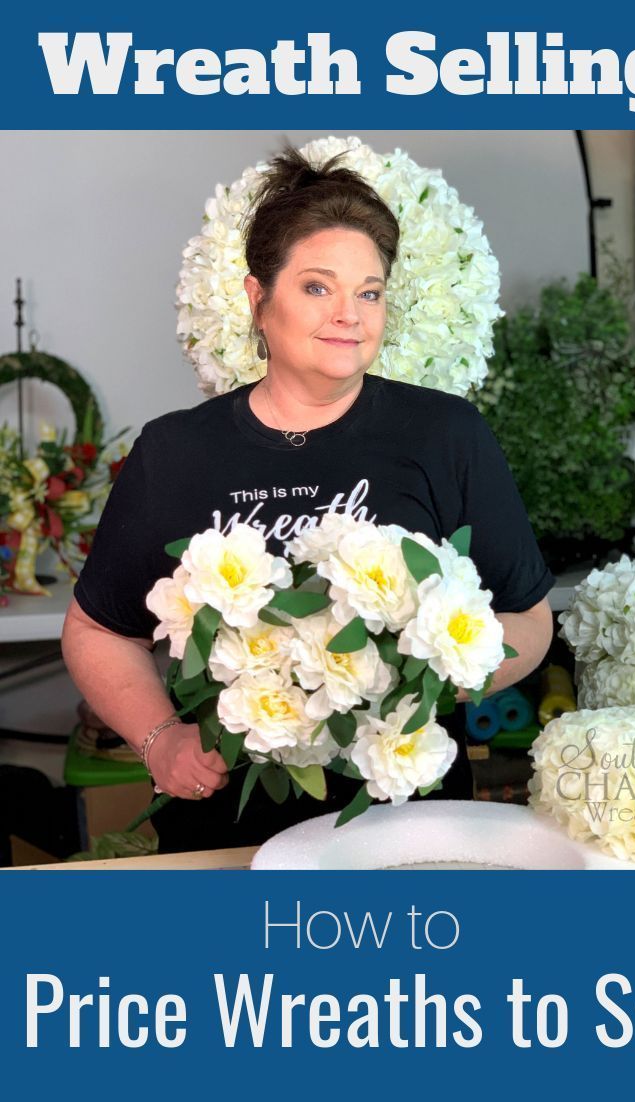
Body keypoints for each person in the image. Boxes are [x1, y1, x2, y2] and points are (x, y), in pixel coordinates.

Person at [61, 148, 554, 853]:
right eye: (317, 288)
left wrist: (428, 674)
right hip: (222, 823)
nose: (349, 315)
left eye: (370, 291)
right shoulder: (175, 452)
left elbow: (526, 616)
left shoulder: (446, 433)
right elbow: (96, 629)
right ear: (257, 298)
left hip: (403, 823)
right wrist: (161, 737)